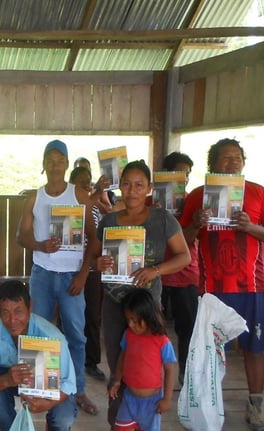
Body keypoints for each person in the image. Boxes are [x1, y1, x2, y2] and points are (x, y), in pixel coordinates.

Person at [91, 160, 190, 427]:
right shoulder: (109, 221)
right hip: (115, 304)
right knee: (117, 362)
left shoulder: (162, 220)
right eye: (126, 184)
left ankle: (147, 418)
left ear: (149, 188)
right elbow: (92, 257)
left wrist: (155, 270)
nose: (132, 190)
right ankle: (119, 420)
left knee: (148, 361)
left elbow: (184, 257)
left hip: (147, 306)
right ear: (119, 186)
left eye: (138, 185)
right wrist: (97, 263)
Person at [178, 138, 264, 429]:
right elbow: (182, 240)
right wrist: (195, 224)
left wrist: (250, 227)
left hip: (253, 287)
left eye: (237, 157)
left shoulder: (258, 193)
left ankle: (257, 404)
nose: (232, 162)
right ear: (212, 163)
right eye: (225, 157)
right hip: (212, 290)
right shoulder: (198, 196)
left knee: (255, 347)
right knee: (211, 352)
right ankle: (209, 408)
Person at [17, 140, 99, 415]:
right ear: (43, 164)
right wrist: (40, 245)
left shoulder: (79, 195)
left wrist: (83, 274)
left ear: (66, 164)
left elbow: (93, 238)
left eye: (60, 160)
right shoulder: (35, 198)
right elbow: (21, 237)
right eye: (50, 160)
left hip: (72, 277)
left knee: (76, 336)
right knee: (37, 333)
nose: (55, 165)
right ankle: (37, 384)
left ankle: (77, 389)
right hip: (42, 274)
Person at [0, 280, 77, 431]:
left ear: (30, 307)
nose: (12, 320)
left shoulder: (53, 337)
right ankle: (10, 428)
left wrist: (47, 404)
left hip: (51, 381)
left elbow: (69, 384)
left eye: (18, 311)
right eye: (5, 313)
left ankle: (53, 426)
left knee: (64, 416)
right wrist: (7, 380)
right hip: (11, 379)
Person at [108, 289, 176, 431]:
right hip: (129, 399)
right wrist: (117, 380)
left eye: (134, 320)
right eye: (128, 320)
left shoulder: (162, 341)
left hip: (152, 403)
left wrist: (167, 399)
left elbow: (170, 370)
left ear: (148, 316)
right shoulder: (128, 335)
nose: (131, 324)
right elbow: (122, 358)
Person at [157, 151, 199, 386]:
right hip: (157, 272)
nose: (185, 178)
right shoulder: (151, 201)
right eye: (180, 173)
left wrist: (196, 222)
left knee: (187, 328)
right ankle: (155, 372)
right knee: (154, 326)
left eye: (187, 174)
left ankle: (185, 374)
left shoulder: (193, 201)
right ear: (166, 173)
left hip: (186, 274)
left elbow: (189, 239)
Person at [69, 166, 106, 382]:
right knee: (69, 317)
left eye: (88, 181)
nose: (85, 184)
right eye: (80, 181)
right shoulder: (66, 206)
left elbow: (97, 238)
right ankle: (67, 359)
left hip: (91, 269)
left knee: (92, 315)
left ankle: (91, 361)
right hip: (69, 268)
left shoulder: (93, 208)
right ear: (71, 184)